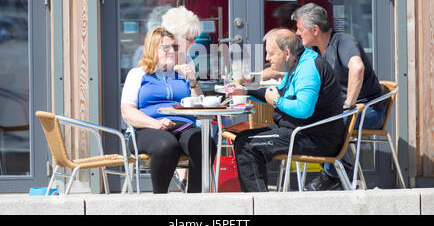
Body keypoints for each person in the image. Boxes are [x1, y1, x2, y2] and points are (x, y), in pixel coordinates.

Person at [227, 29, 344, 192]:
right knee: (243, 138)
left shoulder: (308, 68)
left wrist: (277, 101)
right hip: (301, 131)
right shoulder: (298, 63)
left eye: (271, 54)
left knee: (247, 146)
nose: (267, 58)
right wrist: (246, 90)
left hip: (313, 137)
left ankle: (258, 205)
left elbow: (303, 109)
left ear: (287, 53)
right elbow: (277, 93)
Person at [293, 3, 385, 191]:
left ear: (315, 29)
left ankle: (332, 173)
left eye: (300, 29)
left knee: (329, 122)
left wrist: (348, 106)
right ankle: (341, 166)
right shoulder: (315, 51)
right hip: (342, 113)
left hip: (368, 110)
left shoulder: (343, 42)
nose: (297, 33)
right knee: (303, 118)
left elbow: (357, 67)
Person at [121, 26, 216, 193]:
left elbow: (199, 108)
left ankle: (194, 200)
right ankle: (161, 200)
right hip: (148, 128)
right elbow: (127, 111)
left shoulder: (181, 74)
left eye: (175, 47)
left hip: (184, 125)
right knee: (167, 145)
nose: (172, 51)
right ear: (152, 49)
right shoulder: (138, 74)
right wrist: (155, 124)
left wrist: (193, 82)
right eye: (166, 47)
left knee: (204, 143)